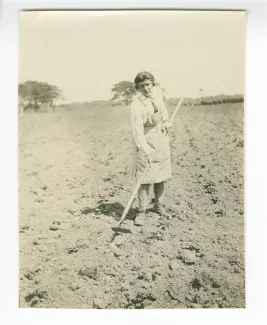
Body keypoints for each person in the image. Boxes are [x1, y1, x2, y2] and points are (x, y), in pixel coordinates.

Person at [130, 71, 172, 226]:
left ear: (152, 84)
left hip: (161, 139)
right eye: (142, 86)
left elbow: (164, 115)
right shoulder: (136, 105)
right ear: (138, 88)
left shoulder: (158, 97)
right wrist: (145, 150)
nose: (146, 88)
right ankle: (141, 211)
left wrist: (167, 123)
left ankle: (158, 205)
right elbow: (137, 131)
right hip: (145, 141)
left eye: (148, 84)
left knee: (160, 175)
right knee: (145, 179)